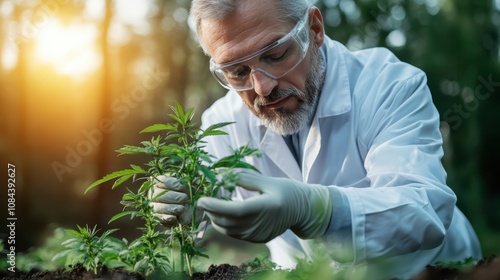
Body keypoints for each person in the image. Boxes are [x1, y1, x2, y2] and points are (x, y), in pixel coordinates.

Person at [151, 0, 482, 278]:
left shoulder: (389, 85)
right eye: (237, 71)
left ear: (314, 29)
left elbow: (424, 208)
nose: (262, 87)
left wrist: (318, 210)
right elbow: (200, 202)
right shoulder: (222, 123)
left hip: (433, 270)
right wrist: (181, 203)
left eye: (275, 54)